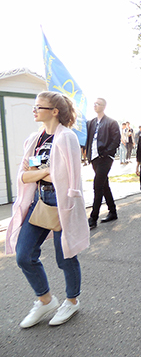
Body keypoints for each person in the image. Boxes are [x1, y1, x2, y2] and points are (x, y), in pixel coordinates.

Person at [6, 91, 90, 328]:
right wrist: (45, 172)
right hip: (39, 202)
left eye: (38, 107)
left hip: (63, 204)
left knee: (65, 256)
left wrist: (40, 173)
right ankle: (45, 301)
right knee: (23, 256)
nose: (34, 110)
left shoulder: (67, 138)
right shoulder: (34, 139)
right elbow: (23, 176)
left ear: (54, 111)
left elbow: (68, 178)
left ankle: (72, 301)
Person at [85, 98, 121, 229]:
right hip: (94, 158)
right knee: (104, 185)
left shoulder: (111, 122)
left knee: (97, 185)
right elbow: (88, 139)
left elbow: (116, 140)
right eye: (94, 103)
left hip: (105, 158)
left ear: (104, 106)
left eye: (98, 104)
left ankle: (93, 217)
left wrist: (106, 153)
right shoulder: (91, 123)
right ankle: (113, 211)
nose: (95, 105)